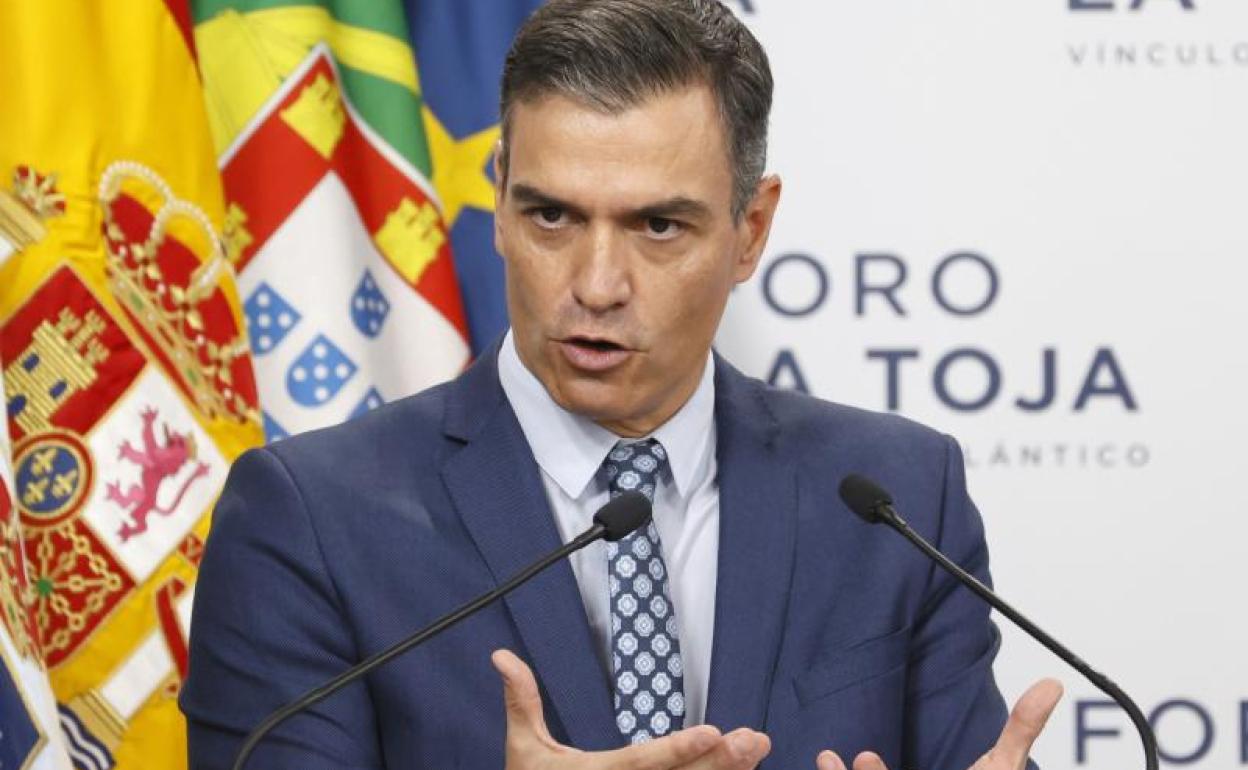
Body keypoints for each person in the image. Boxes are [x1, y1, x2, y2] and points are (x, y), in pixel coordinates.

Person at [180, 1, 1063, 768]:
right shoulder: (312, 519)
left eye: (658, 226)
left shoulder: (894, 499)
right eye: (551, 215)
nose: (597, 285)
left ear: (751, 230)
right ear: (499, 201)